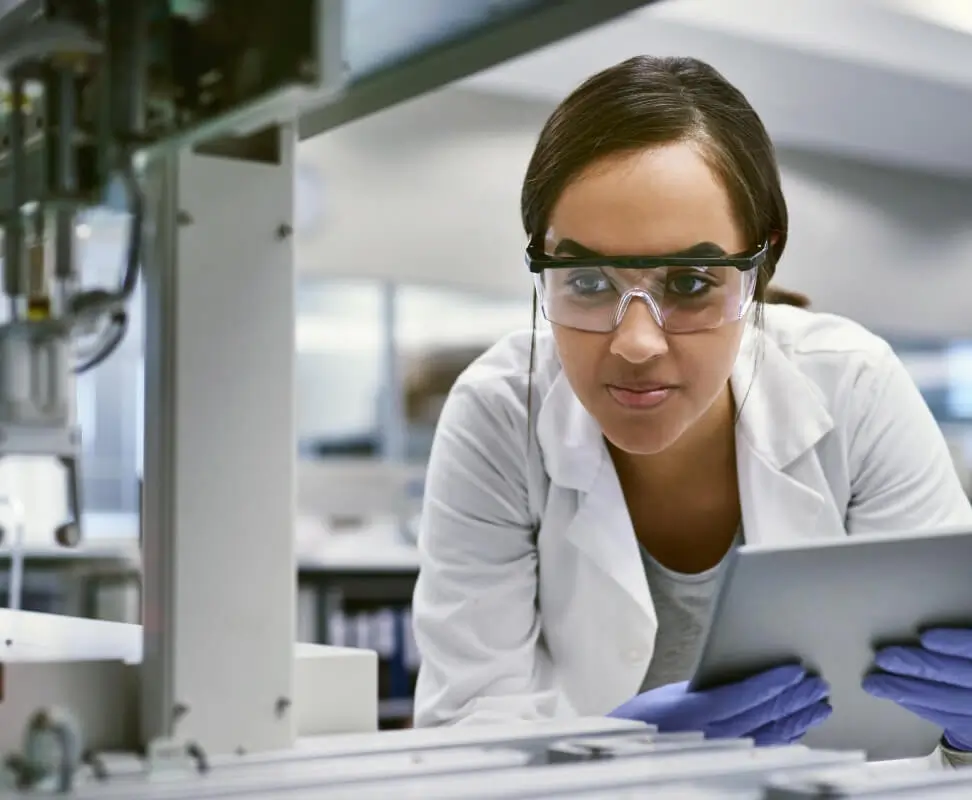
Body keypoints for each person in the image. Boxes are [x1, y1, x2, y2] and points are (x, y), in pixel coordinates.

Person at [409, 56, 972, 765]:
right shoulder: (499, 414)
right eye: (584, 279)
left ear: (759, 269)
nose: (637, 344)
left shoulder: (854, 386)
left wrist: (967, 740)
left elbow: (930, 760)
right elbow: (462, 743)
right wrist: (614, 753)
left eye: (690, 281)